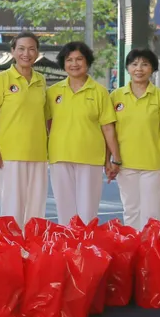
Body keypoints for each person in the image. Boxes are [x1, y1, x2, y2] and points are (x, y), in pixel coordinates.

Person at [47, 41, 122, 225]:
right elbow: (45, 122)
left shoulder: (100, 92)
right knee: (65, 213)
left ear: (87, 62)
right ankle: (68, 252)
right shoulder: (53, 92)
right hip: (60, 157)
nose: (74, 64)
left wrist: (115, 159)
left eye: (79, 59)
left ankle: (87, 250)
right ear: (63, 64)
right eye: (69, 60)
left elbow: (108, 128)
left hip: (90, 158)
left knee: (87, 213)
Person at [0, 31, 50, 228]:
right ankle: (11, 251)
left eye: (31, 49)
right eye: (21, 49)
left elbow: (45, 118)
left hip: (38, 154)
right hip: (9, 154)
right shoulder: (1, 79)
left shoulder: (41, 80)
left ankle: (32, 251)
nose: (26, 53)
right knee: (12, 209)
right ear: (12, 51)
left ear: (37, 52)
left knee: (35, 209)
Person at [109, 48, 160, 231]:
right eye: (134, 64)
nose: (139, 68)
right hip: (125, 165)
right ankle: (134, 253)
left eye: (145, 64)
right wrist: (111, 160)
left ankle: (150, 255)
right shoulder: (116, 96)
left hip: (154, 166)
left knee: (152, 216)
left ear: (152, 69)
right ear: (127, 68)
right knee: (130, 212)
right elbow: (109, 131)